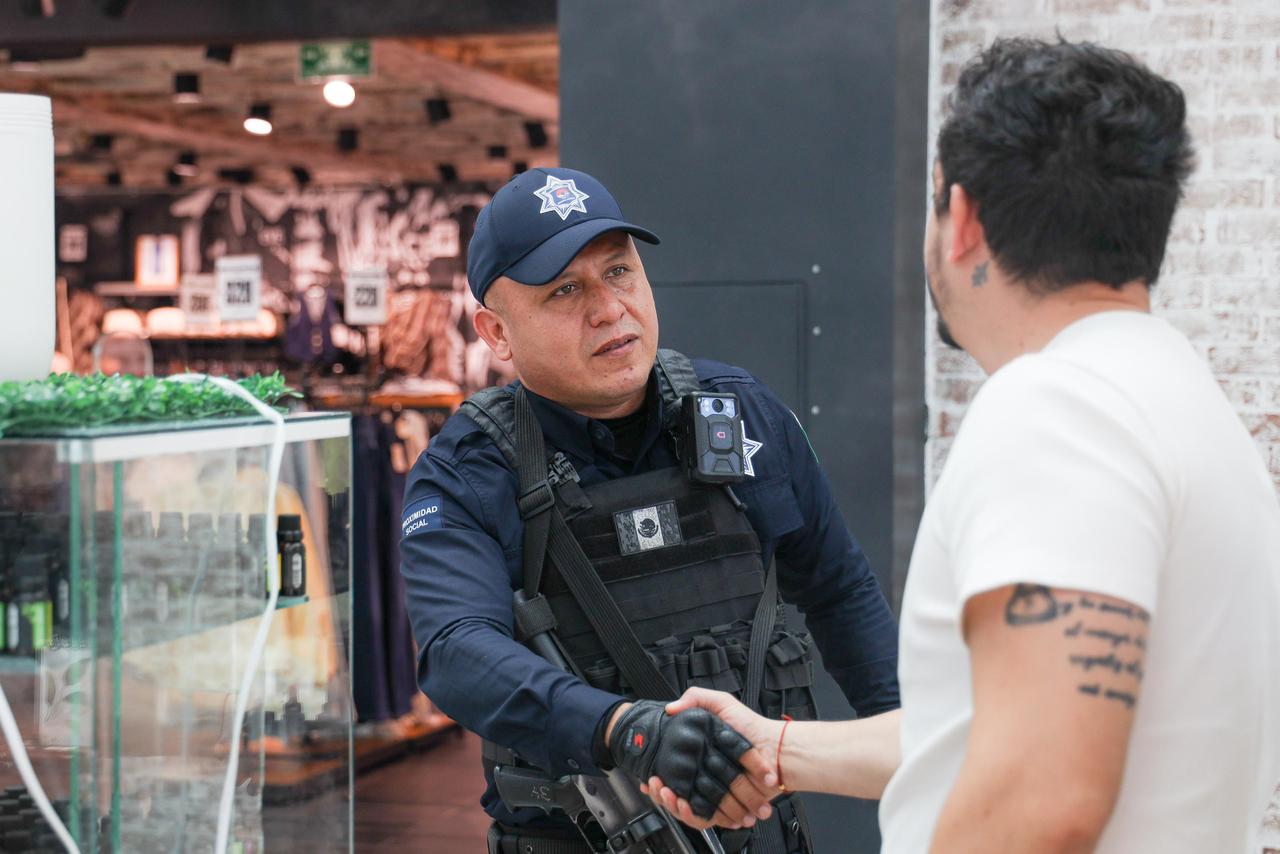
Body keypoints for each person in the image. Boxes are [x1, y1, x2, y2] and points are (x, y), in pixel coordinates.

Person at [646, 37, 1280, 853]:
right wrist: (777, 750)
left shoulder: (1056, 410)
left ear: (964, 220)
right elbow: (998, 727)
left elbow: (1041, 791)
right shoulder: (1187, 406)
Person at [398, 166, 901, 852]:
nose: (609, 309)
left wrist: (921, 750)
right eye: (564, 290)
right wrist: (624, 730)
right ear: (495, 331)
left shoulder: (743, 414)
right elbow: (456, 652)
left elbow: (840, 592)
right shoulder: (467, 473)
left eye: (619, 272)